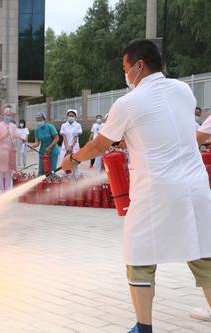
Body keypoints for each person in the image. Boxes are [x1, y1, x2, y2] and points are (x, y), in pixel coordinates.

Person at [61, 39, 211, 333]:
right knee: (204, 255)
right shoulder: (183, 90)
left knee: (140, 257)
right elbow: (167, 127)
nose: (126, 74)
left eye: (126, 68)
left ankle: (144, 328)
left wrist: (73, 160)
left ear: (139, 66)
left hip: (157, 191)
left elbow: (100, 144)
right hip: (196, 187)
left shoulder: (127, 103)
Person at [0, 108, 18, 194]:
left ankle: (7, 189)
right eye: (6, 115)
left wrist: (15, 141)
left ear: (11, 116)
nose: (8, 117)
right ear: (3, 115)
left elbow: (16, 137)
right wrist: (4, 136)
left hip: (9, 152)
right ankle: (0, 189)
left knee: (8, 171)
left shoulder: (13, 126)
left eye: (9, 115)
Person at [59, 109, 82, 177]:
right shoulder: (64, 125)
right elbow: (64, 137)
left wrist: (71, 146)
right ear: (67, 116)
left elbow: (76, 136)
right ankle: (65, 179)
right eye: (69, 115)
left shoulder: (78, 125)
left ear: (75, 117)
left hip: (74, 147)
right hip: (65, 147)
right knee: (64, 163)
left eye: (72, 115)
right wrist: (67, 147)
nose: (70, 117)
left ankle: (76, 179)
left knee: (74, 164)